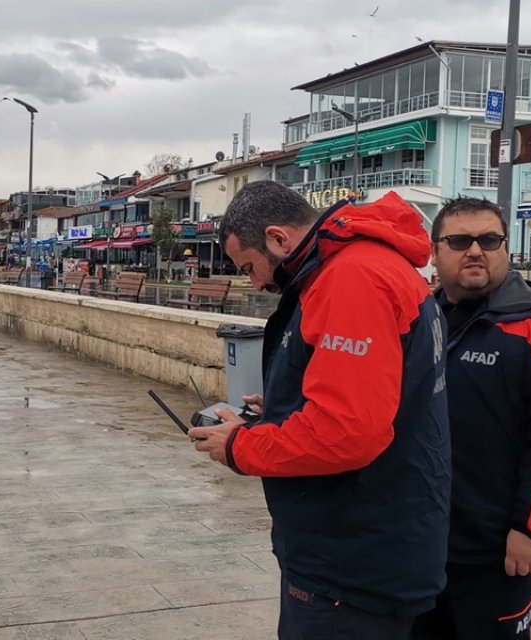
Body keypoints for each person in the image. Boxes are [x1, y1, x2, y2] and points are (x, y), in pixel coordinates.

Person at [188, 181, 450, 638]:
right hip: (371, 540)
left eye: (249, 267)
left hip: (351, 560)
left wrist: (240, 446)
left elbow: (348, 432)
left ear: (277, 238)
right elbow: (377, 389)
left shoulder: (351, 278)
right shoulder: (369, 265)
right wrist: (283, 405)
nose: (255, 282)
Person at [412, 197, 531, 640]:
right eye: (459, 240)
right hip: (418, 541)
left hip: (498, 548)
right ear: (435, 252)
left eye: (489, 240)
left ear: (504, 249)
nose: (475, 250)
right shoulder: (418, 320)